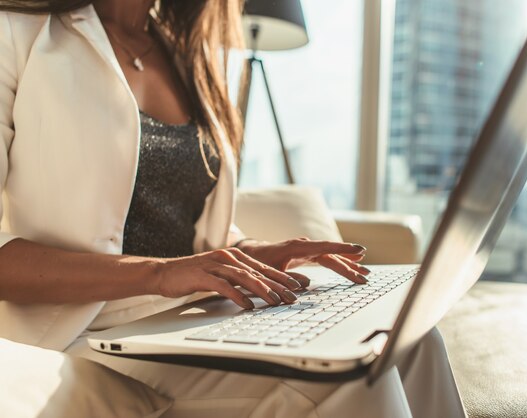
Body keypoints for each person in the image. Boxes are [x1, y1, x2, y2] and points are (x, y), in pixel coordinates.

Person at [0, 0, 467, 416]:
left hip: (193, 315)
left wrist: (250, 251)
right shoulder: (16, 30)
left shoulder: (187, 53)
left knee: (414, 343)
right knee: (352, 376)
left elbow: (191, 230)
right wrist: (160, 273)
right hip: (81, 330)